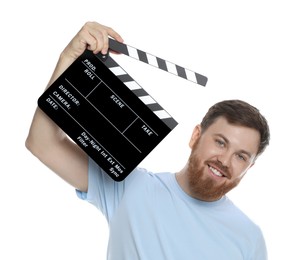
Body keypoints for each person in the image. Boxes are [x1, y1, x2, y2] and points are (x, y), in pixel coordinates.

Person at [25, 21, 270, 260]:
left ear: (249, 167)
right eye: (220, 142)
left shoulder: (249, 238)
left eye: (241, 156)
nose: (225, 160)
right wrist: (69, 58)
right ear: (196, 136)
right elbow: (44, 144)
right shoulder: (130, 188)